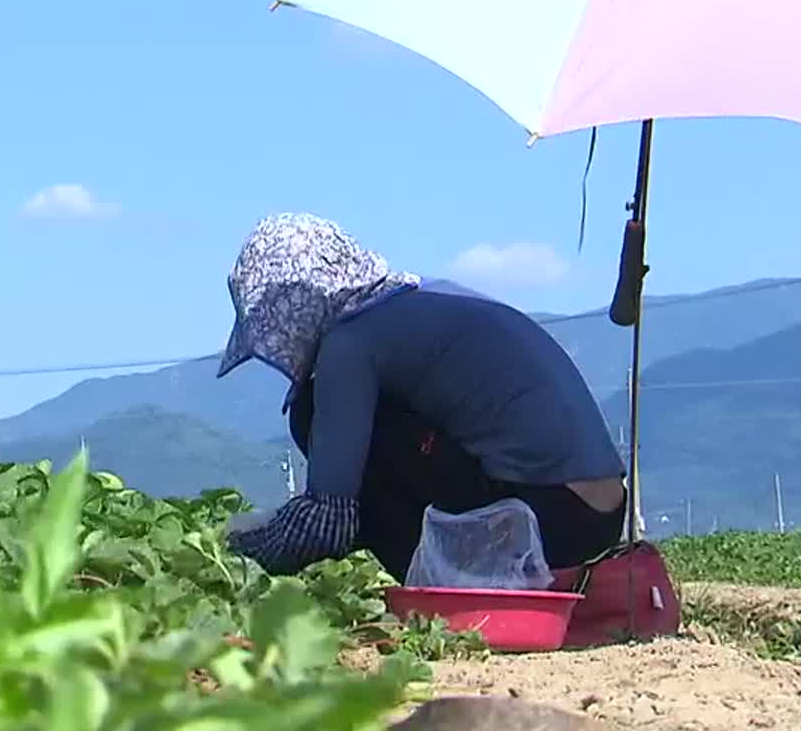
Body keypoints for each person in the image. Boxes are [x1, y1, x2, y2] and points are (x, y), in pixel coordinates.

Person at [216, 212, 627, 582]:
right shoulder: (422, 303)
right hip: (600, 519)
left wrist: (240, 550)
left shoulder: (351, 342)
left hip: (545, 524)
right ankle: (443, 566)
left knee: (310, 412)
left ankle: (437, 586)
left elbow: (330, 518)